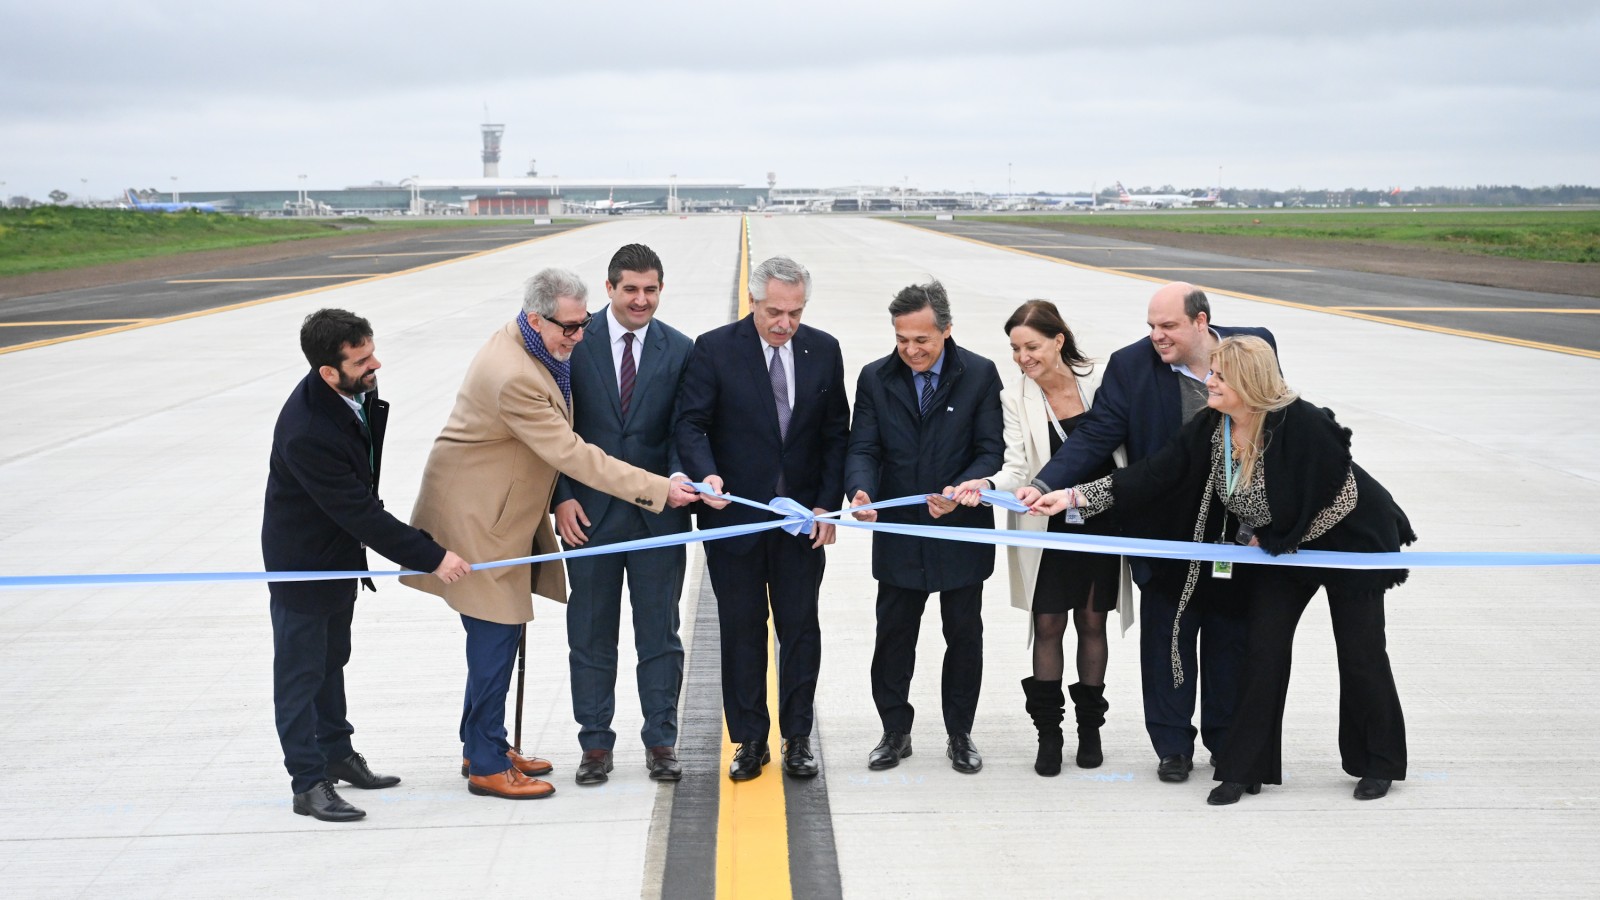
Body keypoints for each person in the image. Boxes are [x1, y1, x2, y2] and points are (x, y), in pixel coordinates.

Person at [1034, 335, 1413, 805]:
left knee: (1360, 652)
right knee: (1263, 649)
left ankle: (1378, 763)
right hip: (1282, 545)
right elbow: (1155, 474)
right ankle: (1243, 768)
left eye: (1218, 376)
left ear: (1248, 383)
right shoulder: (1213, 427)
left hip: (1348, 538)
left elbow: (1339, 496)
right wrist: (1074, 497)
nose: (1207, 381)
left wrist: (1279, 537)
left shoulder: (1304, 423)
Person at [402, 268, 698, 801]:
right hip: (482, 521)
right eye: (569, 328)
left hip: (500, 510)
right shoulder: (516, 374)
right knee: (495, 638)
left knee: (500, 637)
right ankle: (488, 764)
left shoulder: (526, 339)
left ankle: (483, 741)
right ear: (537, 318)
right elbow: (570, 453)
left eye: (583, 326)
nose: (578, 337)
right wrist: (656, 489)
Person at [1018, 282, 1275, 784]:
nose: (1156, 336)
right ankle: (1173, 746)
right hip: (1163, 530)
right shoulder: (1131, 365)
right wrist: (1049, 482)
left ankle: (1224, 743)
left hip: (1232, 533)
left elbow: (1275, 423)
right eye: (1151, 326)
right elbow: (1098, 434)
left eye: (1169, 326)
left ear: (1202, 322)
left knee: (1228, 642)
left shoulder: (1252, 349)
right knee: (1168, 642)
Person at [262, 308, 472, 822]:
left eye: (371, 352)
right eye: (362, 360)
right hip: (304, 566)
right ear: (327, 372)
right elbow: (360, 511)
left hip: (337, 558)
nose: (375, 365)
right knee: (300, 674)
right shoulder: (307, 429)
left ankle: (336, 752)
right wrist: (432, 556)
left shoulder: (353, 393)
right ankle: (308, 784)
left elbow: (359, 498)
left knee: (333, 660)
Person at [675, 255, 850, 782]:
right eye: (775, 311)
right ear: (754, 301)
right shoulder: (714, 349)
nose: (785, 323)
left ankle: (798, 737)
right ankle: (750, 739)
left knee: (800, 631)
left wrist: (826, 504)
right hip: (736, 522)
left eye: (795, 312)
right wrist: (706, 478)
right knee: (742, 632)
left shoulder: (823, 349)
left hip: (801, 525)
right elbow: (691, 426)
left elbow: (835, 435)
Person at [945, 300, 1132, 776]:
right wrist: (985, 486)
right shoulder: (1016, 398)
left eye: (1031, 346)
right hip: (1046, 524)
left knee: (1093, 623)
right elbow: (1016, 468)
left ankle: (1090, 730)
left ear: (1058, 341)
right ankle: (1049, 734)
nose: (1023, 357)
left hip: (1102, 518)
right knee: (1047, 625)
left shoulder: (1103, 379)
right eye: (1014, 348)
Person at [846, 280, 1004, 774]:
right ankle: (895, 730)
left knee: (964, 635)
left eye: (922, 340)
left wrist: (962, 490)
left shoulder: (979, 374)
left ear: (946, 331)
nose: (911, 350)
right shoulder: (875, 377)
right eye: (902, 340)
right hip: (899, 529)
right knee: (894, 635)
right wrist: (861, 491)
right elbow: (864, 447)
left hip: (961, 529)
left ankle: (960, 734)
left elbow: (991, 449)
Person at [552, 244, 695, 786]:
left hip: (657, 518)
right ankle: (594, 744)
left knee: (660, 634)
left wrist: (681, 478)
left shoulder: (679, 349)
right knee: (590, 634)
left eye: (651, 289)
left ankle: (661, 740)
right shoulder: (572, 341)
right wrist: (560, 497)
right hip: (586, 517)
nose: (641, 299)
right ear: (609, 289)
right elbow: (553, 429)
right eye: (630, 289)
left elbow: (686, 428)